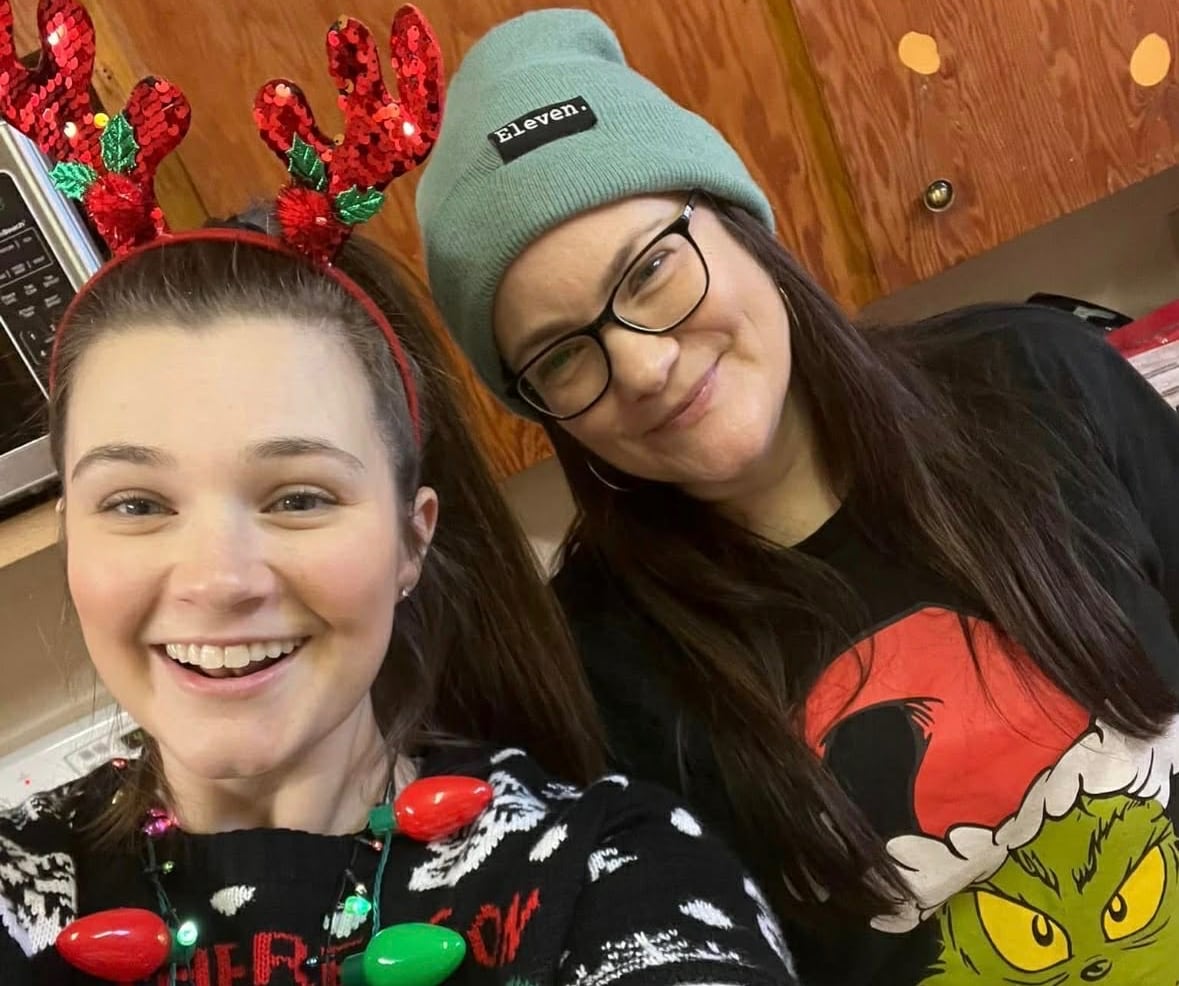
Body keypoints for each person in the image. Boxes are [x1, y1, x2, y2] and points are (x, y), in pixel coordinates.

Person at [0, 2, 797, 981]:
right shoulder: (19, 881)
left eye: (297, 496)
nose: (215, 578)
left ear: (413, 538)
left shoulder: (603, 873)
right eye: (134, 502)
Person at [415, 8, 1179, 985]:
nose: (642, 365)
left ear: (738, 224)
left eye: (650, 271)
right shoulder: (600, 676)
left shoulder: (1039, 383)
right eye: (565, 354)